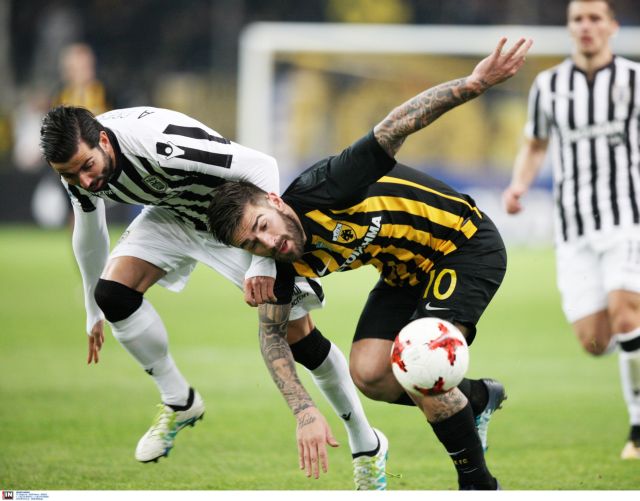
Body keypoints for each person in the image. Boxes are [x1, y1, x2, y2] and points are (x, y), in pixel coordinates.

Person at [207, 37, 532, 490]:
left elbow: (394, 126)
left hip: (464, 242)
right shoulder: (273, 264)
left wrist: (472, 84)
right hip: (403, 273)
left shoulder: (327, 187)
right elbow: (272, 336)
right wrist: (304, 411)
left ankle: (479, 486)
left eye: (263, 225)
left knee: (420, 358)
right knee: (371, 374)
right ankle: (475, 398)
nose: (269, 242)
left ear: (276, 202)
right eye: (253, 243)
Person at [38, 105, 389, 489]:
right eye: (70, 174)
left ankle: (366, 445)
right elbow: (89, 229)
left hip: (236, 225)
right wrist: (92, 307)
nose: (84, 180)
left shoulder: (159, 143)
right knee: (112, 295)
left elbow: (263, 165)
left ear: (104, 140)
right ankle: (179, 400)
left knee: (298, 338)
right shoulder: (77, 165)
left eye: (87, 167)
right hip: (172, 215)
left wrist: (261, 263)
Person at [502, 0, 640, 460]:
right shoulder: (549, 86)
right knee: (595, 341)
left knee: (627, 316)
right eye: (578, 19)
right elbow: (535, 143)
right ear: (569, 28)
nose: (586, 26)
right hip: (575, 228)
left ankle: (638, 429)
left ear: (612, 26)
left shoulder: (634, 80)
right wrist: (519, 185)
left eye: (595, 18)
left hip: (628, 218)